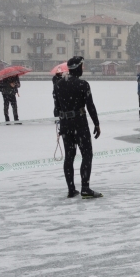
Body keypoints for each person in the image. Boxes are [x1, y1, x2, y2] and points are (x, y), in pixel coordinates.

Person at [53, 56, 102, 198]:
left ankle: (71, 189)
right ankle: (85, 188)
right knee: (87, 154)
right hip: (79, 123)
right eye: (82, 66)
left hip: (65, 124)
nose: (83, 68)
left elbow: (56, 109)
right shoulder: (83, 85)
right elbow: (90, 106)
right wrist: (97, 124)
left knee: (69, 156)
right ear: (78, 67)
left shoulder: (58, 85)